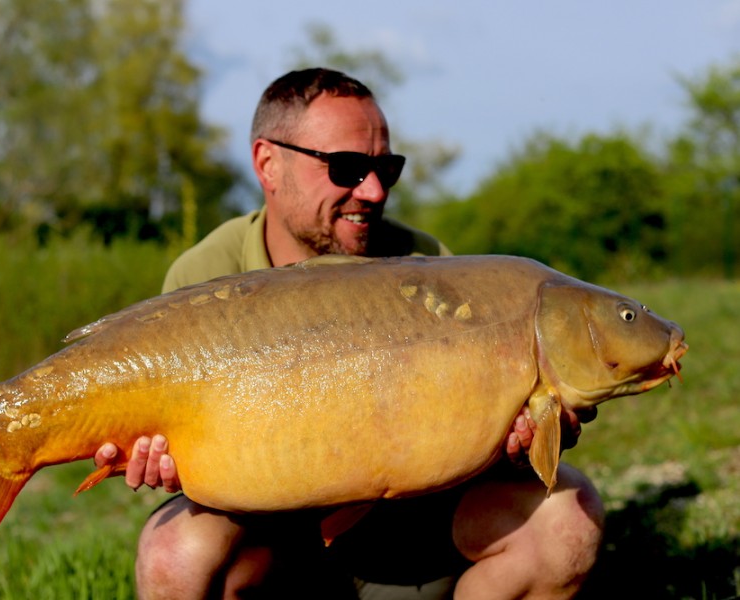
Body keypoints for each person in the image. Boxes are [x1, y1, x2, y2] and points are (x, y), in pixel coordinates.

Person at [95, 68, 604, 599]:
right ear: (268, 164)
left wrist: (527, 440)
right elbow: (170, 441)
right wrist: (161, 459)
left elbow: (486, 437)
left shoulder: (433, 269)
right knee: (173, 556)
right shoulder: (204, 276)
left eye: (387, 167)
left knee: (566, 521)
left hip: (405, 528)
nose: (374, 190)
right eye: (347, 168)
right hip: (271, 535)